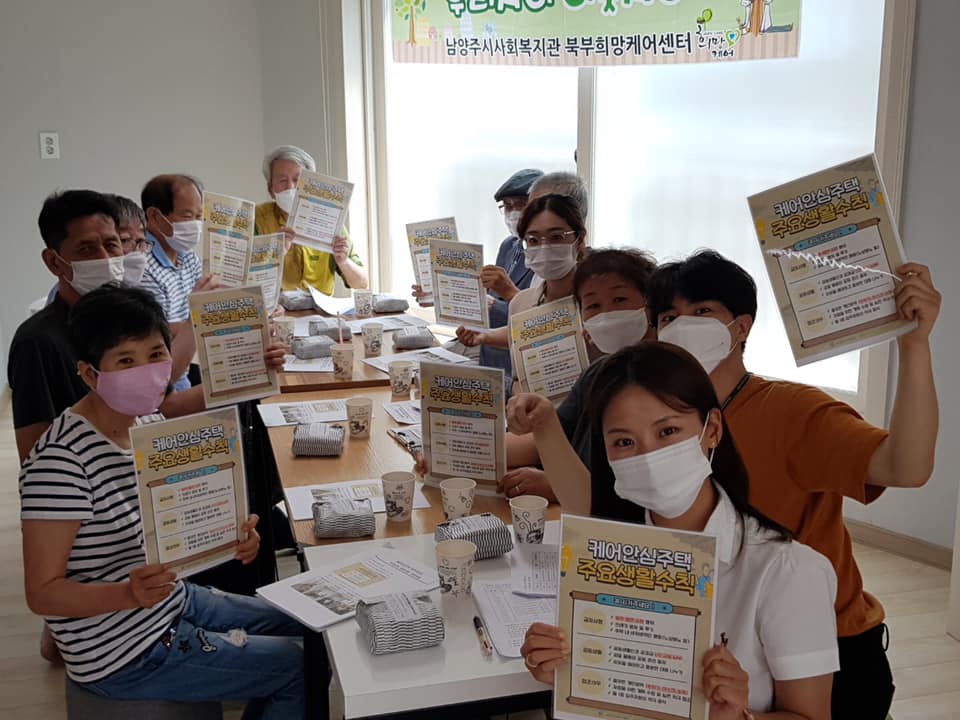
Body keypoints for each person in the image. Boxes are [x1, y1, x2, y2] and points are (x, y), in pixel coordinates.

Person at [647, 250, 940, 718]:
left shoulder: (793, 412)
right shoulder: (654, 424)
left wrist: (914, 346)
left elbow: (905, 467)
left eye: (702, 311)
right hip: (712, 638)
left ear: (741, 327)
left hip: (826, 649)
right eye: (669, 317)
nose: (683, 327)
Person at [19, 284, 303, 717]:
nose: (147, 371)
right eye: (125, 361)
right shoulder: (60, 463)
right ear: (89, 374)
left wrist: (232, 533)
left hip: (171, 601)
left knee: (307, 624)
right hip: (123, 650)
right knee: (300, 665)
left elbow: (172, 523)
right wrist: (127, 594)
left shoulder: (146, 424)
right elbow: (42, 594)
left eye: (155, 354)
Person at [518, 343, 838, 718]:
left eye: (667, 431)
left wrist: (738, 717)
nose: (648, 456)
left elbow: (812, 716)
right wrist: (559, 667)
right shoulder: (608, 548)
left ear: (712, 430)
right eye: (624, 442)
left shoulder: (788, 571)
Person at [501, 247, 656, 501]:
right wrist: (465, 449)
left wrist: (556, 486)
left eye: (619, 300)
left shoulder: (669, 379)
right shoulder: (598, 374)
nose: (606, 314)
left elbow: (656, 484)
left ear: (649, 304)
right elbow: (546, 440)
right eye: (593, 305)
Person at [9, 191, 126, 466]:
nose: (104, 258)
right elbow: (35, 457)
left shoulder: (133, 323)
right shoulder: (37, 342)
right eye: (86, 249)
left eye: (111, 244)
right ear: (54, 262)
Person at [455, 193, 588, 394]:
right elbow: (524, 340)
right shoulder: (522, 302)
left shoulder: (596, 302)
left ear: (579, 240)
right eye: (533, 240)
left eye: (556, 237)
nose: (544, 247)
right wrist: (485, 336)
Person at [255, 144, 368, 294]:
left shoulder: (330, 218)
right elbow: (241, 283)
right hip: (276, 307)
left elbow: (361, 284)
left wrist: (344, 262)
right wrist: (275, 255)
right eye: (282, 180)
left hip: (320, 308)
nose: (290, 187)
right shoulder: (256, 219)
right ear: (270, 189)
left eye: (297, 180)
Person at [140, 174, 214, 393]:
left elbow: (206, 302)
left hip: (183, 371)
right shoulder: (142, 266)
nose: (196, 225)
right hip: (159, 382)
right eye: (187, 216)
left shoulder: (187, 257)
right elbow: (162, 331)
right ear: (155, 216)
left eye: (199, 216)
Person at [478, 168, 543, 384]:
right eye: (507, 206)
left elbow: (541, 322)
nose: (513, 213)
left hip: (520, 363)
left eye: (520, 204)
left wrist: (495, 306)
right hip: (489, 355)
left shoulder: (549, 257)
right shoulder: (509, 245)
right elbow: (489, 298)